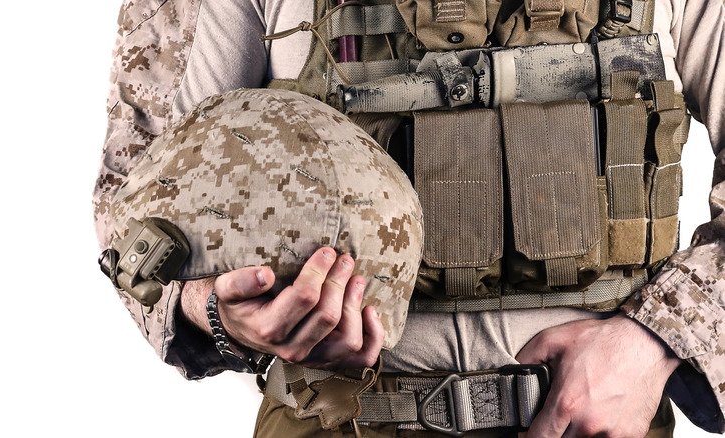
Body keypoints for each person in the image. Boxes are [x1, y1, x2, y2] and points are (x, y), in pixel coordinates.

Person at [93, 0, 725, 436]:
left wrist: (656, 340)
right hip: (335, 419)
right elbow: (138, 204)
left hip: (597, 422)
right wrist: (219, 310)